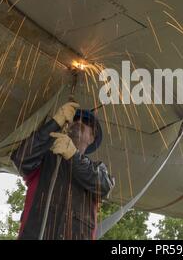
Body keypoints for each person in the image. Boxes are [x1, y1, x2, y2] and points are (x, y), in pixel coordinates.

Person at [11, 102, 114, 240]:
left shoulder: (97, 170)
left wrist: (74, 156)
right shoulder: (44, 159)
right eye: (74, 119)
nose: (78, 121)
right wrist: (55, 123)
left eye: (86, 121)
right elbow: (21, 158)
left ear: (92, 138)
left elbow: (103, 186)